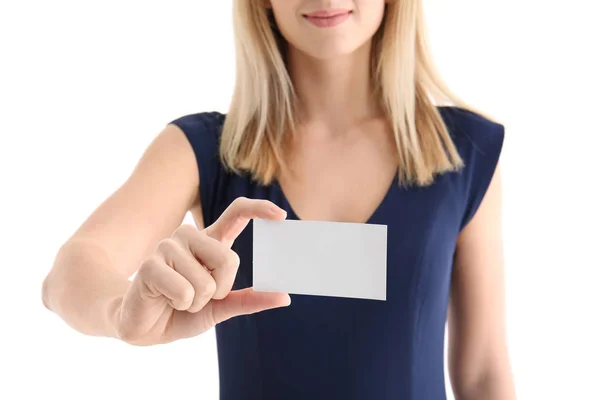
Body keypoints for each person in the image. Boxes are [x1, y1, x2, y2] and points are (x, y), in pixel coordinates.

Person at [41, 1, 516, 399]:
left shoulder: (466, 151)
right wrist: (121, 312)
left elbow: (483, 374)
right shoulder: (203, 150)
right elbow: (70, 272)